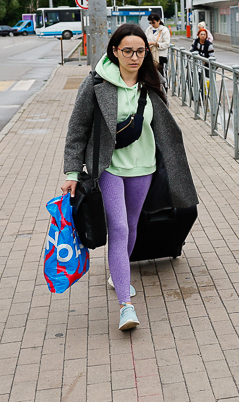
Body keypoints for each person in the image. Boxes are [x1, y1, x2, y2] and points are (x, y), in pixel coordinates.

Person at [61, 24, 199, 331]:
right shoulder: (97, 82)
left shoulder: (150, 84)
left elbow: (162, 127)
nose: (134, 57)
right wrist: (72, 171)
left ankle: (117, 270)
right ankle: (126, 305)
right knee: (119, 228)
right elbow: (77, 128)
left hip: (144, 168)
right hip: (108, 168)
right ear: (115, 51)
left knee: (133, 225)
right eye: (128, 51)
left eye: (140, 51)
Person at [145, 13, 171, 85]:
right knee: (150, 73)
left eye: (154, 22)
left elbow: (166, 44)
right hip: (151, 54)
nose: (152, 24)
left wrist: (155, 44)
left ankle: (162, 88)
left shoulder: (164, 30)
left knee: (160, 74)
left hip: (161, 55)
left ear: (158, 21)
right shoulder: (148, 29)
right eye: (151, 23)